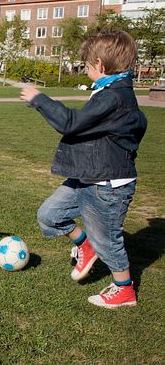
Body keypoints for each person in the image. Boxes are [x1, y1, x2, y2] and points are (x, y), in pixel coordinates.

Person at [20, 30, 147, 309]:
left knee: (108, 241)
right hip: (87, 176)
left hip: (108, 185)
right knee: (49, 216)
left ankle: (124, 289)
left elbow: (70, 123)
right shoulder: (113, 91)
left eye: (87, 66)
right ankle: (84, 244)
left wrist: (38, 98)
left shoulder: (114, 97)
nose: (87, 69)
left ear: (99, 64)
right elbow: (141, 122)